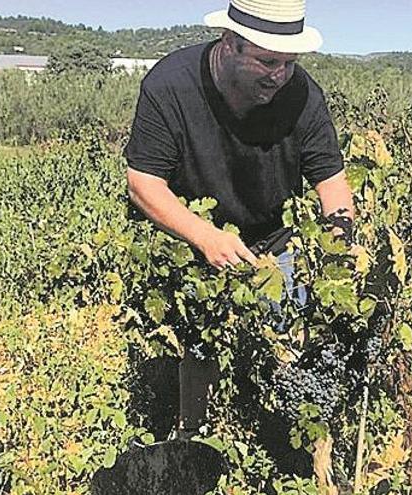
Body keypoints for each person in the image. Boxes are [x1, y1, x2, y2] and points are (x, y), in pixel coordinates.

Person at [123, 0, 354, 467]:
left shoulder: (303, 95)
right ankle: (195, 440)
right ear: (229, 44)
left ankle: (285, 443)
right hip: (190, 232)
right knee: (200, 341)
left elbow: (331, 181)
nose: (279, 76)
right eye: (267, 61)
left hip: (273, 238)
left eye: (289, 63)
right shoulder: (170, 85)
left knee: (290, 336)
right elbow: (143, 182)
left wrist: (343, 248)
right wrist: (205, 237)